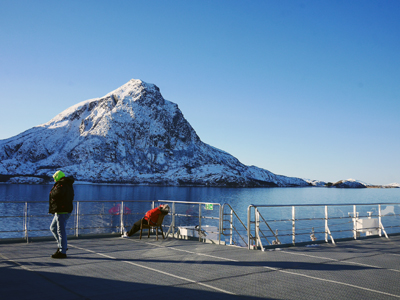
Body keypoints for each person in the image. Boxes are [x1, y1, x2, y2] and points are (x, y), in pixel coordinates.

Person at [49, 170, 74, 259]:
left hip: (62, 210)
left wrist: (52, 192)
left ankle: (62, 251)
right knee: (53, 228)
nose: (54, 180)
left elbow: (57, 194)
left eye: (55, 178)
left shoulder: (62, 185)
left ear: (57, 177)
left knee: (61, 231)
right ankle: (62, 246)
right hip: (61, 210)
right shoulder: (66, 184)